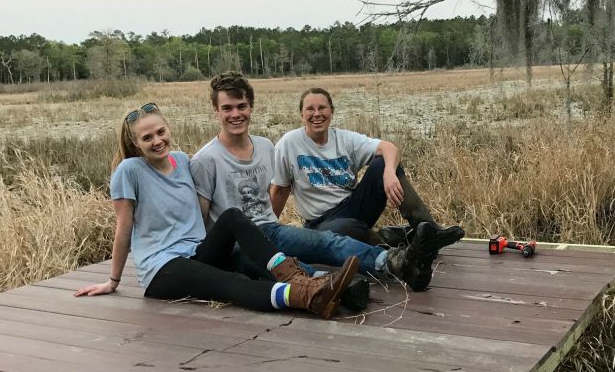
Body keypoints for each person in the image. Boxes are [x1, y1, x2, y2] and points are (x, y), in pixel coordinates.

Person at [73, 102, 358, 319]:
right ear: (136, 143)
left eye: (161, 132)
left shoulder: (183, 161)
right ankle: (305, 296)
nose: (157, 140)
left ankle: (294, 276)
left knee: (232, 216)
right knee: (232, 282)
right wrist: (113, 281)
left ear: (169, 129)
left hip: (196, 253)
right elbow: (123, 229)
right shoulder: (129, 171)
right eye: (147, 138)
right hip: (162, 268)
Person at [191, 72, 442, 292]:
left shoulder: (266, 147)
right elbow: (199, 219)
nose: (236, 114)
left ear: (250, 108)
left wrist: (281, 230)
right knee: (288, 267)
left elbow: (269, 197)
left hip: (270, 229)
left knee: (328, 242)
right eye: (227, 108)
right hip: (237, 242)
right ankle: (336, 286)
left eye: (241, 106)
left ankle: (397, 262)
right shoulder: (206, 159)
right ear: (216, 111)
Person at [269, 86, 466, 250]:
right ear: (301, 114)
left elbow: (389, 148)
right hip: (322, 221)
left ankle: (427, 228)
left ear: (332, 111)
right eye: (310, 109)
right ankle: (397, 248)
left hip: (354, 206)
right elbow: (279, 190)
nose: (317, 114)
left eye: (322, 108)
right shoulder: (289, 144)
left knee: (383, 162)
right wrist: (267, 229)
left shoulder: (344, 138)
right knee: (344, 230)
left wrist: (389, 173)